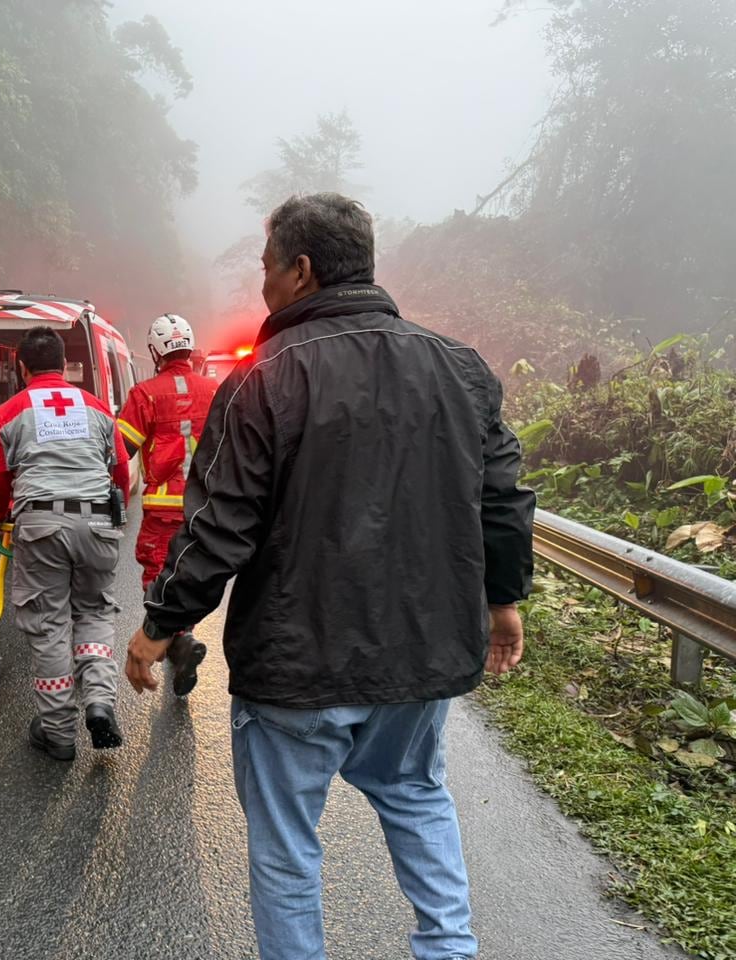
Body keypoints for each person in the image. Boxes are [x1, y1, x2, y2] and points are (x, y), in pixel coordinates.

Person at [124, 193, 535, 960]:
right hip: (418, 660)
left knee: (286, 848)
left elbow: (219, 529)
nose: (263, 285)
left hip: (294, 665)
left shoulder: (263, 382)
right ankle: (449, 950)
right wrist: (503, 601)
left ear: (302, 270)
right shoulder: (460, 370)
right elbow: (503, 500)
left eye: (267, 267)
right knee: (416, 795)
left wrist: (160, 624)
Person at [0, 326, 131, 761]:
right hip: (99, 521)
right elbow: (120, 473)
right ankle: (100, 700)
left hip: (42, 521)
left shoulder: (9, 412)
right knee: (94, 610)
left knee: (48, 624)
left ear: (21, 367)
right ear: (65, 365)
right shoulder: (97, 407)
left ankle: (59, 734)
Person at [116, 314, 217, 696]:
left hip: (162, 510)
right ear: (190, 347)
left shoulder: (145, 394)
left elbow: (120, 449)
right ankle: (183, 640)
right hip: (205, 509)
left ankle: (178, 642)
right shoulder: (215, 390)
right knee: (190, 576)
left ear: (155, 351)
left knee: (159, 577)